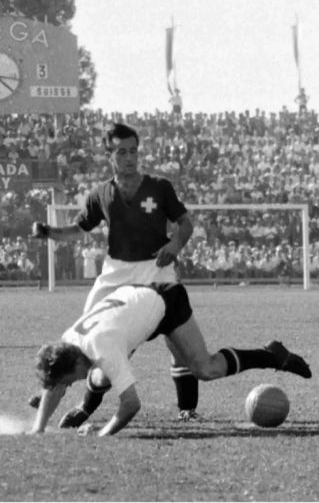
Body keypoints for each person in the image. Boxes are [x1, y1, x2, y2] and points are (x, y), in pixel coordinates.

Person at [30, 123, 199, 422]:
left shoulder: (159, 187)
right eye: (122, 152)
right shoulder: (100, 194)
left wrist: (174, 244)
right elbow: (78, 230)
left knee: (177, 340)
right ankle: (63, 391)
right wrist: (49, 232)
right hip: (115, 272)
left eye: (133, 151)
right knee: (80, 343)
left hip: (155, 268)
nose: (130, 158)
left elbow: (185, 223)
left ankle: (187, 407)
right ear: (109, 155)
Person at [28, 282, 311, 436]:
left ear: (76, 363)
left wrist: (103, 434)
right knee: (100, 376)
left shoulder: (103, 348)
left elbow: (131, 405)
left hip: (167, 303)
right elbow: (55, 384)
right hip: (135, 305)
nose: (70, 383)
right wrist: (37, 429)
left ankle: (271, 356)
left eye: (71, 380)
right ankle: (84, 408)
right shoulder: (68, 343)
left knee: (205, 369)